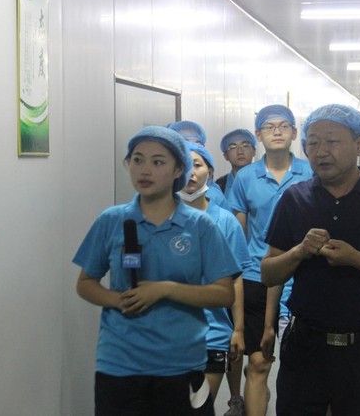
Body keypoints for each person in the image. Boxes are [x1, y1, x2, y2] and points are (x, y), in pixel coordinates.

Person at [261, 104, 360, 416]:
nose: (321, 151)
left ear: (358, 144)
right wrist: (299, 251)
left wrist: (358, 259)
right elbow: (269, 274)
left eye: (332, 141)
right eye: (312, 142)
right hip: (305, 348)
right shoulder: (295, 199)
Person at [73, 126, 239, 416]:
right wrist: (118, 299)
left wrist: (165, 290)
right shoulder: (111, 221)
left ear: (179, 170)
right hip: (120, 363)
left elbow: (224, 293)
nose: (145, 170)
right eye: (137, 160)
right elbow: (86, 282)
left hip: (182, 364)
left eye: (158, 161)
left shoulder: (201, 226)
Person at [228, 104, 313, 416]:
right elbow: (239, 235)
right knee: (258, 362)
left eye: (283, 126)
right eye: (269, 127)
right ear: (258, 135)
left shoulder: (311, 173)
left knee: (303, 364)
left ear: (294, 133)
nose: (277, 132)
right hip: (257, 278)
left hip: (302, 278)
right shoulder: (245, 177)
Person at [178, 142, 249, 416]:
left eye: (197, 165)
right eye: (183, 165)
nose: (190, 172)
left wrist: (238, 329)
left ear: (209, 170)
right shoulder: (159, 219)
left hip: (212, 335)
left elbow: (235, 279)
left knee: (198, 410)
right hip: (165, 337)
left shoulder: (225, 222)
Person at [167, 120, 232, 211]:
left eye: (197, 143)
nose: (191, 146)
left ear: (209, 172)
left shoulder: (214, 196)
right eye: (185, 141)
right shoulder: (161, 193)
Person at [216, 128, 257, 199]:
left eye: (245, 146)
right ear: (226, 156)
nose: (240, 152)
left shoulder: (266, 180)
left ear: (254, 151)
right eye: (233, 147)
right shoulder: (220, 185)